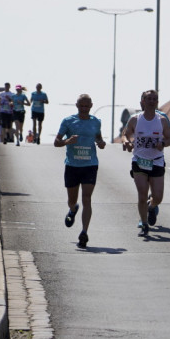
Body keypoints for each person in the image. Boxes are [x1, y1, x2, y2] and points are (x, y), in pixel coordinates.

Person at [55, 94, 107, 249]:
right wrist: (67, 141)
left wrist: (101, 143)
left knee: (87, 198)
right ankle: (72, 209)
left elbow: (99, 138)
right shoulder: (68, 121)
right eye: (81, 106)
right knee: (72, 200)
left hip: (90, 165)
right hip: (72, 165)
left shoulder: (96, 122)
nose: (84, 109)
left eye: (86, 106)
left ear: (91, 106)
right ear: (77, 106)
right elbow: (56, 142)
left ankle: (84, 232)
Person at [121, 89, 170, 236]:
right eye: (149, 99)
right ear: (142, 102)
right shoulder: (135, 119)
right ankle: (144, 223)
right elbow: (125, 135)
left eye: (154, 99)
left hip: (156, 161)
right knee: (142, 194)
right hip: (139, 161)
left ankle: (151, 207)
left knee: (158, 197)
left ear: (157, 102)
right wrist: (127, 142)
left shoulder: (161, 120)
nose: (152, 101)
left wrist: (162, 143)